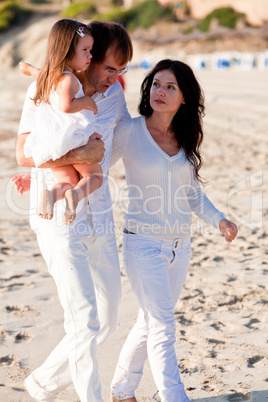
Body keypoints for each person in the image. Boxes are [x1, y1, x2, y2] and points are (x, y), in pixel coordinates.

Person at [14, 20, 133, 402]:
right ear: (86, 59)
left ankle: (44, 383)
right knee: (84, 320)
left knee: (108, 318)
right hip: (58, 217)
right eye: (110, 68)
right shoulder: (44, 89)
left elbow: (128, 137)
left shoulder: (113, 96)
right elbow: (23, 154)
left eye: (122, 71)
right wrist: (79, 155)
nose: (115, 78)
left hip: (99, 209)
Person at [108, 59, 238, 402]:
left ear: (184, 98)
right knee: (163, 327)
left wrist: (219, 219)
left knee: (149, 322)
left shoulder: (184, 138)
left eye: (170, 87)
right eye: (155, 84)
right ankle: (173, 395)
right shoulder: (129, 131)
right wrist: (53, 177)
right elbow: (93, 167)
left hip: (180, 246)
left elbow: (192, 193)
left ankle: (122, 391)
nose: (160, 92)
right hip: (142, 244)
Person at [19, 19, 105, 225]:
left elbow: (38, 75)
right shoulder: (70, 79)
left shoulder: (50, 77)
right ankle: (75, 196)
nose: (90, 55)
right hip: (73, 139)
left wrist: (29, 69)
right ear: (67, 51)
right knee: (94, 177)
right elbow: (67, 106)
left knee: (67, 181)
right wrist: (87, 101)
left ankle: (51, 196)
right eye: (85, 49)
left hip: (50, 141)